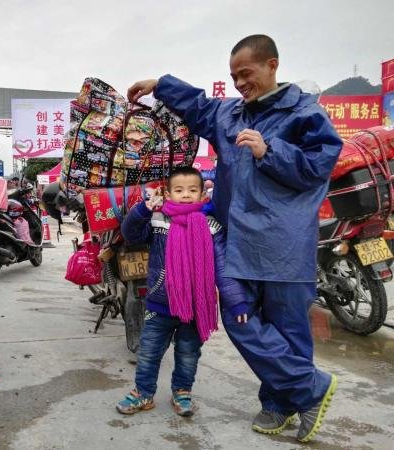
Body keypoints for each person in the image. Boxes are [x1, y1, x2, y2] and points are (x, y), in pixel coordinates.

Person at [127, 35, 342, 442]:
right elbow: (200, 106)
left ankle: (280, 406)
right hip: (238, 242)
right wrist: (160, 84)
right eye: (234, 76)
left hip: (283, 243)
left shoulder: (304, 114)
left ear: (272, 65)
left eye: (247, 74)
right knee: (241, 319)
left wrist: (270, 151)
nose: (241, 83)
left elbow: (319, 166)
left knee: (289, 330)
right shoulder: (230, 116)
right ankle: (309, 388)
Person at [116, 167, 218, 417]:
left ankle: (182, 392)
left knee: (188, 354)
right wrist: (143, 209)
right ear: (169, 194)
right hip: (160, 303)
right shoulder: (158, 219)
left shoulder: (210, 224)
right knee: (149, 353)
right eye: (179, 190)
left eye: (192, 190)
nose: (186, 195)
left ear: (202, 193)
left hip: (195, 306)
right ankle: (143, 393)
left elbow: (221, 262)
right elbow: (130, 234)